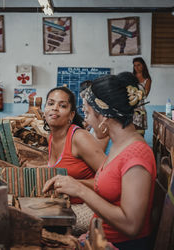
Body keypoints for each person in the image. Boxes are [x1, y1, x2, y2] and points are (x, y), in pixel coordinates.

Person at [43, 72, 157, 250]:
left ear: (104, 116)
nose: (86, 121)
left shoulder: (136, 155)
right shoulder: (119, 146)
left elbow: (131, 226)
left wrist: (80, 190)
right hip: (97, 238)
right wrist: (71, 182)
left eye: (87, 113)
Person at [43, 86, 106, 235]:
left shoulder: (79, 138)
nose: (55, 108)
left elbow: (111, 178)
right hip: (65, 205)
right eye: (50, 103)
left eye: (62, 105)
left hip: (88, 207)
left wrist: (76, 184)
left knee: (36, 224)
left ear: (71, 115)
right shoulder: (52, 137)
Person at [79, 80, 112, 155]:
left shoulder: (102, 126)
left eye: (84, 106)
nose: (82, 109)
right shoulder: (97, 124)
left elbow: (94, 157)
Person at [132, 57, 152, 136]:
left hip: (140, 107)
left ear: (143, 65)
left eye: (138, 65)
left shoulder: (147, 79)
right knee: (131, 132)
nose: (136, 67)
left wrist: (134, 94)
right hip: (130, 108)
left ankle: (140, 147)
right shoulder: (131, 77)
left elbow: (145, 95)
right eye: (134, 65)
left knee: (140, 133)